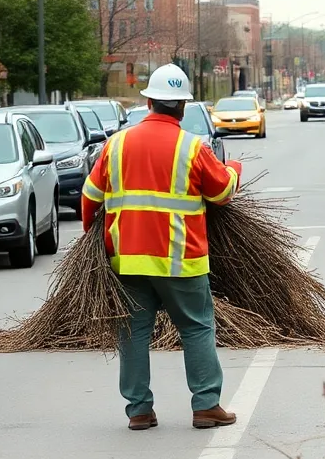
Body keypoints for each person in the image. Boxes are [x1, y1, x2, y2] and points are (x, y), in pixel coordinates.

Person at [81, 63, 244, 431]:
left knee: (134, 334)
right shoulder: (192, 147)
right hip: (181, 260)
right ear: (183, 107)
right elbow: (221, 193)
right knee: (197, 328)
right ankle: (205, 406)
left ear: (150, 101)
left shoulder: (116, 144)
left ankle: (139, 411)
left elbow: (90, 197)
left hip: (128, 259)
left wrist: (91, 239)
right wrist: (233, 167)